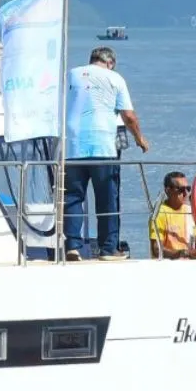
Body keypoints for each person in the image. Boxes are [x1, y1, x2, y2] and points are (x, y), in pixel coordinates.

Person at [64, 46, 150, 260]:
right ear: (110, 62)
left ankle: (73, 245)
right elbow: (129, 116)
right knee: (107, 198)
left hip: (72, 146)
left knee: (73, 197)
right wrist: (140, 139)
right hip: (103, 146)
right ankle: (108, 248)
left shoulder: (71, 74)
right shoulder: (115, 78)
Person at [149, 171, 196, 259]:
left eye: (187, 189)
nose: (185, 193)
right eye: (181, 189)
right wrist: (184, 253)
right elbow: (156, 250)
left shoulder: (189, 211)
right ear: (168, 191)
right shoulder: (159, 214)